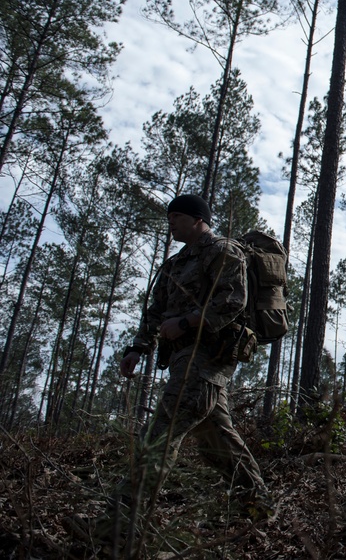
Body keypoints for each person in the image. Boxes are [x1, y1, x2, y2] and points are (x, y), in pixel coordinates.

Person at [68, 194, 272, 548]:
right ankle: (261, 510)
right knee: (218, 442)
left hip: (208, 356)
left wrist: (187, 321)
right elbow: (155, 311)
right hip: (183, 360)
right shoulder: (174, 265)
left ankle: (112, 526)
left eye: (176, 217)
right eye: (169, 218)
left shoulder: (223, 251)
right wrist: (137, 347)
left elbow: (232, 302)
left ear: (197, 219)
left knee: (160, 435)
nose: (170, 224)